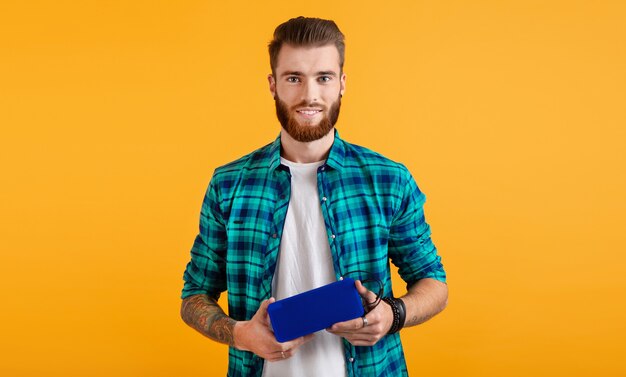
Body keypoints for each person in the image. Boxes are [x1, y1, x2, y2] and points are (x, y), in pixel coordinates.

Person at [180, 16, 448, 377]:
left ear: (342, 84)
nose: (310, 95)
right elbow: (195, 295)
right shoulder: (229, 184)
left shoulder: (388, 180)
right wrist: (241, 334)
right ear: (273, 85)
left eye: (324, 78)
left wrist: (393, 315)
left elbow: (433, 282)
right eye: (294, 78)